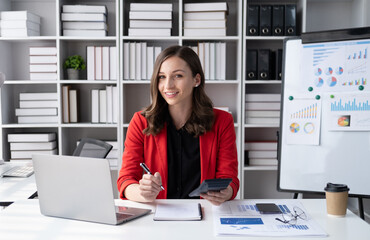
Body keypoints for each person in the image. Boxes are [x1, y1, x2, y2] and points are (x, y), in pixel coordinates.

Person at [117, 45, 239, 206]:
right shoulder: (140, 122)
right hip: (158, 215)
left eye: (178, 76)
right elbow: (126, 180)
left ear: (196, 80)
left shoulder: (222, 121)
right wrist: (141, 192)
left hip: (205, 214)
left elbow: (229, 178)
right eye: (161, 77)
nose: (168, 85)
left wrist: (225, 192)